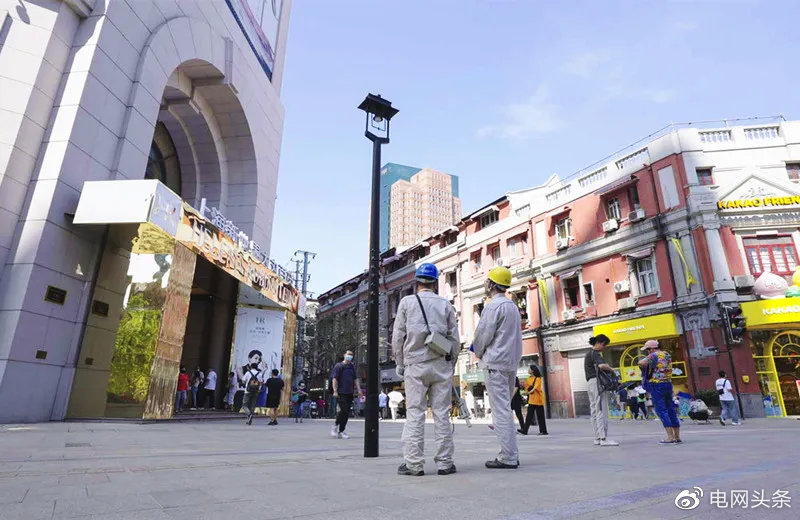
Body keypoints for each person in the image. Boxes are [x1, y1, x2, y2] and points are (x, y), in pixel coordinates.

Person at [392, 263, 460, 477]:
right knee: (442, 414)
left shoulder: (407, 303)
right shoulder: (445, 304)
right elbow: (454, 340)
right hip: (440, 364)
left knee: (415, 414)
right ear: (435, 282)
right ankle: (445, 463)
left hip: (415, 364)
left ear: (417, 282)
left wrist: (400, 364)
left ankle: (413, 464)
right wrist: (452, 363)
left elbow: (397, 337)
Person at [473, 266, 523, 469]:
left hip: (495, 362)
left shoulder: (493, 306)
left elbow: (483, 335)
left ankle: (508, 457)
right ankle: (511, 453)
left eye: (487, 281)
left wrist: (478, 351)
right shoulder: (512, 306)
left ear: (492, 284)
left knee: (500, 410)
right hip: (510, 362)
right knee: (506, 408)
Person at [638, 340, 681, 444]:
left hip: (657, 385)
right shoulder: (667, 354)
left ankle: (670, 437)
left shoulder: (653, 355)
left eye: (647, 350)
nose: (647, 352)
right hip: (668, 384)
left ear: (651, 348)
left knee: (662, 410)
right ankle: (677, 437)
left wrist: (646, 366)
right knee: (671, 409)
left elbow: (641, 363)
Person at [584, 334, 619, 446]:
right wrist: (611, 369)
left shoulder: (588, 354)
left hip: (590, 383)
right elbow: (602, 366)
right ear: (599, 343)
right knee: (601, 409)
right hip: (597, 382)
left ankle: (598, 437)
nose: (604, 347)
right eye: (604, 345)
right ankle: (603, 438)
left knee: (594, 410)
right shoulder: (595, 353)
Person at [330, 350, 362, 439]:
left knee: (346, 412)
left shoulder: (352, 367)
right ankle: (337, 428)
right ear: (344, 355)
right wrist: (335, 390)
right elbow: (334, 379)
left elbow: (355, 379)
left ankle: (340, 429)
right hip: (341, 392)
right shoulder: (339, 366)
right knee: (343, 410)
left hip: (350, 392)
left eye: (351, 355)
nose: (350, 356)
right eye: (348, 354)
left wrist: (359, 390)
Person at [521, 365, 547, 435]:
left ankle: (543, 431)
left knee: (540, 416)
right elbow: (526, 387)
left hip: (538, 400)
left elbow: (535, 387)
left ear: (532, 370)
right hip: (532, 400)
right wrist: (525, 390)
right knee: (529, 416)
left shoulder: (538, 378)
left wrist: (529, 392)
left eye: (529, 369)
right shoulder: (528, 379)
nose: (528, 370)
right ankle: (525, 430)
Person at [241, 355, 264, 425]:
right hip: (256, 391)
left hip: (247, 391)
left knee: (244, 405)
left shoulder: (248, 373)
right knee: (252, 405)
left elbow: (243, 380)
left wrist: (246, 383)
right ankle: (249, 419)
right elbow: (261, 382)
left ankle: (249, 415)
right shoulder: (259, 374)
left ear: (251, 367)